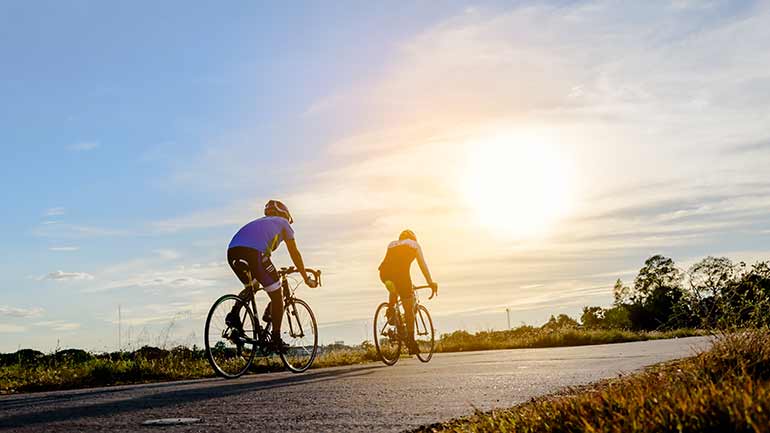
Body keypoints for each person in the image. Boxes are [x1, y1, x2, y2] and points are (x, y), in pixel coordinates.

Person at [225, 200, 317, 353]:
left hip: (233, 252)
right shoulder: (283, 222)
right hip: (254, 254)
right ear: (285, 215)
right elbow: (294, 252)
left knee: (253, 286)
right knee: (277, 295)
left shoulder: (260, 222)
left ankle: (234, 315)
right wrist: (305, 277)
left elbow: (257, 247)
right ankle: (276, 339)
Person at [378, 229, 438, 354]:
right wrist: (430, 282)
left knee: (394, 288)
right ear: (413, 238)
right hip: (402, 277)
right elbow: (422, 265)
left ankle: (391, 310)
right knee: (409, 310)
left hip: (384, 274)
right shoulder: (414, 245)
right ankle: (410, 341)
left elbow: (391, 264)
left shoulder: (392, 244)